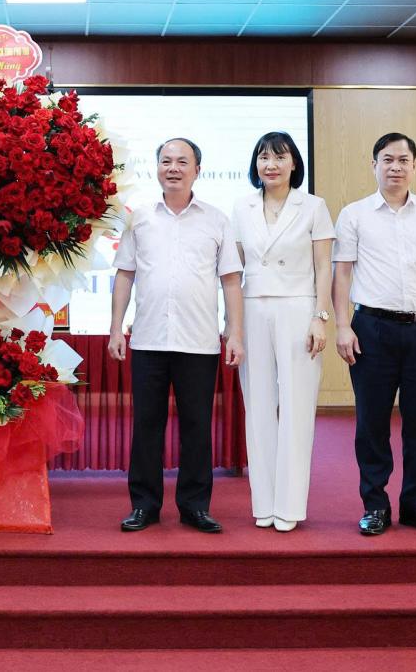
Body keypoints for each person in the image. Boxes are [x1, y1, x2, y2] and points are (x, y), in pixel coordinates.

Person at [109, 137, 244, 534]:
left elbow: (231, 281)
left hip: (198, 342)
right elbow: (125, 275)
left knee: (197, 427)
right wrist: (115, 327)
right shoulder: (140, 219)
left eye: (182, 162)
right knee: (146, 427)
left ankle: (195, 506)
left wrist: (235, 332)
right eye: (166, 161)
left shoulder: (216, 220)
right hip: (148, 339)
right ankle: (144, 506)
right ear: (156, 169)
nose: (173, 168)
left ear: (197, 170)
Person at [332, 132, 416, 537]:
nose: (395, 167)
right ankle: (375, 504)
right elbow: (342, 274)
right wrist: (341, 325)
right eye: (387, 160)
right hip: (371, 329)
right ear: (374, 165)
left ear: (415, 166)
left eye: (403, 160)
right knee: (371, 422)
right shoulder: (354, 214)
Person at [232, 131, 334, 532]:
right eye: (263, 157)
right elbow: (235, 269)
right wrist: (232, 323)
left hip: (298, 308)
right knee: (257, 406)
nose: (270, 164)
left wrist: (320, 316)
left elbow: (323, 266)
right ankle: (264, 502)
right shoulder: (241, 207)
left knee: (296, 407)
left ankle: (290, 505)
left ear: (294, 164)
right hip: (253, 307)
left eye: (279, 156)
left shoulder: (313, 206)